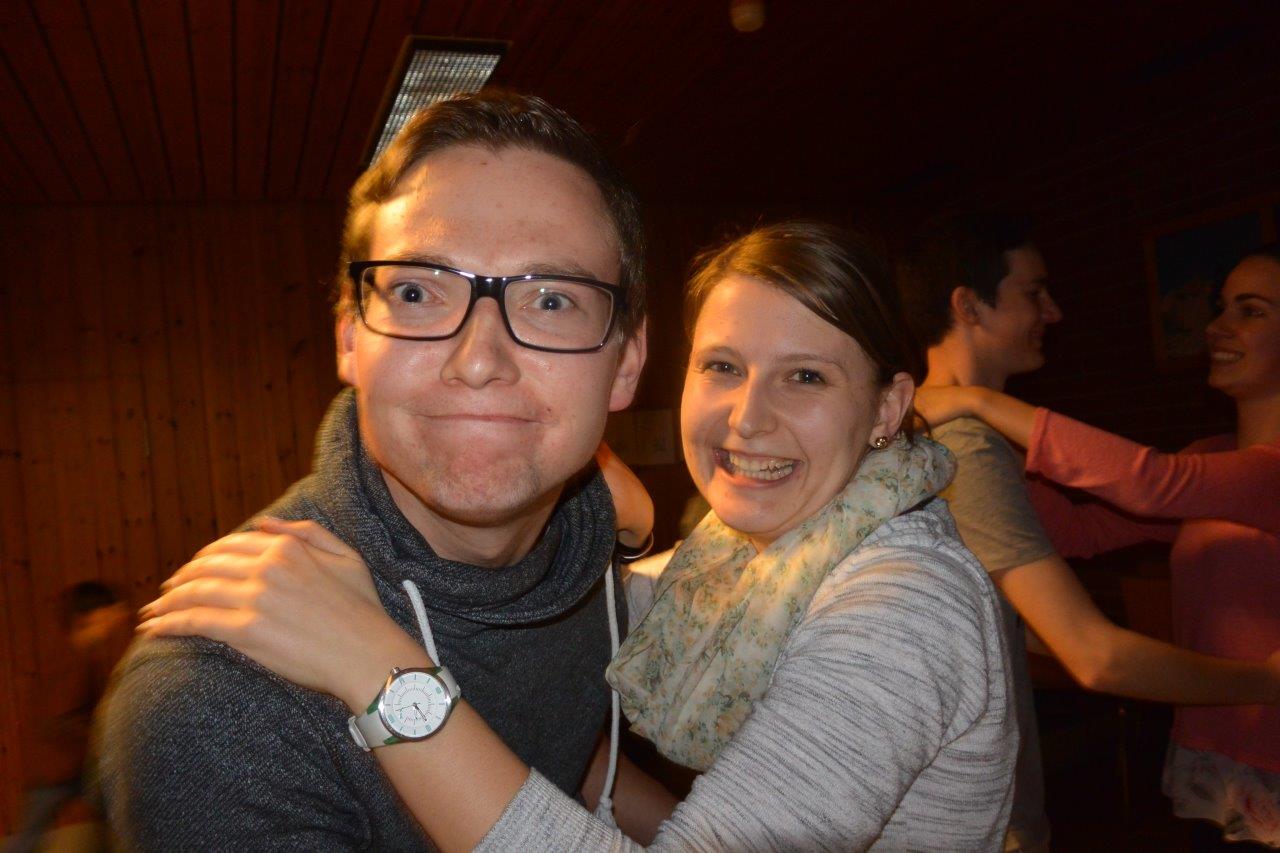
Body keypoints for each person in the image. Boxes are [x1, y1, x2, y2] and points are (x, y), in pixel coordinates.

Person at [141, 221, 1019, 851]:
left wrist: (379, 670)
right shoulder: (741, 560)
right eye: (722, 366)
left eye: (807, 377)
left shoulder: (905, 603)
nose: (748, 418)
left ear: (888, 406)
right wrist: (596, 514)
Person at [93, 91, 649, 849]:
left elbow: (566, 762)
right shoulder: (216, 706)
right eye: (418, 292)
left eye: (551, 300)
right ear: (350, 339)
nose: (479, 361)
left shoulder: (584, 543)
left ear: (626, 363)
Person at [900, 215, 1280, 852]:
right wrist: (985, 440)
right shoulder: (1211, 458)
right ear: (968, 305)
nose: (1218, 326)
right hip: (1219, 754)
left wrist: (981, 405)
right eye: (1223, 308)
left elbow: (1153, 482)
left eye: (1251, 311)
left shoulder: (1242, 474)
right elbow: (1077, 529)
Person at [10, 581, 131, 853]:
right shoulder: (71, 662)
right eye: (108, 615)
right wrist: (99, 734)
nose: (113, 622)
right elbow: (59, 720)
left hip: (66, 768)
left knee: (108, 816)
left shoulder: (83, 657)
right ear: (88, 617)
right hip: (57, 770)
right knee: (29, 838)